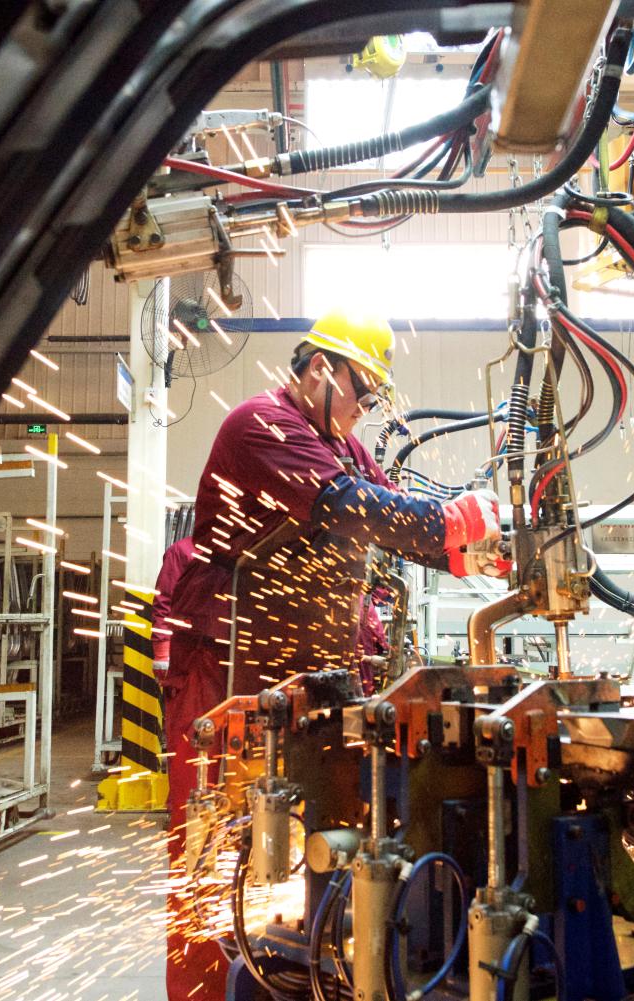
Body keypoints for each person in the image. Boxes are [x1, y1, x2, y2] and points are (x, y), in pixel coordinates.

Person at [162, 310, 503, 1000]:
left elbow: (391, 503)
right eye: (364, 391)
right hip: (227, 666)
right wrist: (449, 525)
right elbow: (350, 508)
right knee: (211, 845)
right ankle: (200, 992)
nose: (366, 408)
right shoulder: (262, 424)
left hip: (299, 674)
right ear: (322, 368)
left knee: (312, 832)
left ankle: (287, 973)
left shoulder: (340, 443)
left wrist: (469, 544)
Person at [151, 534, 197, 679]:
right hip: (186, 650)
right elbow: (164, 600)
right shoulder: (182, 551)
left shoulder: (235, 549)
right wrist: (162, 651)